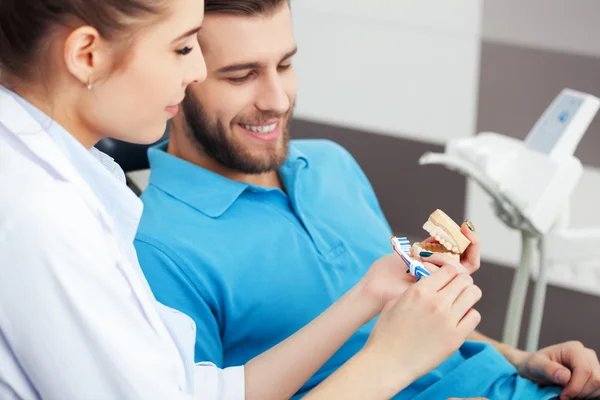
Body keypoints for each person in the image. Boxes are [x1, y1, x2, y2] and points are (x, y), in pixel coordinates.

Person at [0, 0, 484, 399]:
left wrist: (369, 294)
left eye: (286, 63)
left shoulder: (70, 187)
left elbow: (195, 391)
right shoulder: (44, 220)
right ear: (87, 55)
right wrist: (391, 361)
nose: (194, 71)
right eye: (183, 47)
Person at [133, 1, 600, 399]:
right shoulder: (156, 247)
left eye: (285, 64)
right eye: (241, 76)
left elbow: (408, 319)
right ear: (180, 77)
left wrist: (522, 360)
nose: (277, 99)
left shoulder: (331, 164)